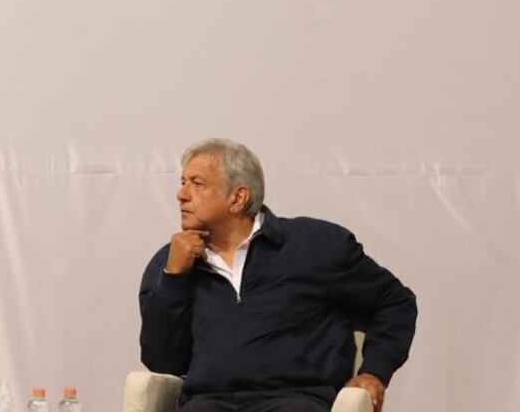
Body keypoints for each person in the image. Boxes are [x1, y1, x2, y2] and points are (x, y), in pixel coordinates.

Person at [139, 138, 417, 412]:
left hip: (295, 401)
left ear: (238, 198)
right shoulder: (171, 262)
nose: (182, 195)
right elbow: (163, 363)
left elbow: (394, 303)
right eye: (182, 182)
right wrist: (173, 278)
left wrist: (374, 372)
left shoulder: (314, 245)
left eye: (197, 184)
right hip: (208, 403)